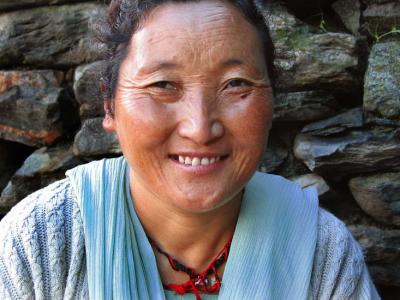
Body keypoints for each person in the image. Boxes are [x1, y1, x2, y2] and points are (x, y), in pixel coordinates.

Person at [0, 0, 380, 299]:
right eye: (163, 85)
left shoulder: (320, 252)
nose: (199, 129)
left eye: (235, 84)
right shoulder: (41, 243)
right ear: (109, 104)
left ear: (273, 101)